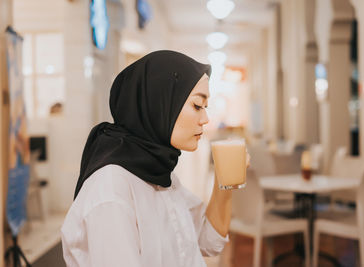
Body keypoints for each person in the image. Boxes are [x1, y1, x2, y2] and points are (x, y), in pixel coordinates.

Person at [61, 50, 249, 267]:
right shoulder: (111, 190)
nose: (205, 119)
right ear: (160, 103)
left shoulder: (158, 173)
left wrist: (224, 180)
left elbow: (209, 241)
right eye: (197, 106)